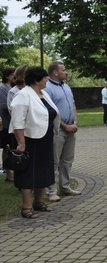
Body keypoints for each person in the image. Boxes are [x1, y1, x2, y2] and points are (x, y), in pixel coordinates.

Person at [9, 66, 60, 219]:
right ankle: (26, 207)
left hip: (44, 138)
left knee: (43, 171)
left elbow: (49, 115)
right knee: (28, 173)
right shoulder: (23, 95)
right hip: (29, 139)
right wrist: (21, 143)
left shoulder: (43, 94)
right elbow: (17, 121)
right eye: (45, 78)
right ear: (37, 80)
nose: (47, 80)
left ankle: (39, 202)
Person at [44, 61, 80, 202]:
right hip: (58, 130)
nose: (66, 72)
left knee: (67, 160)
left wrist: (75, 122)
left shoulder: (66, 87)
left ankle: (65, 187)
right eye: (63, 70)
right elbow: (49, 112)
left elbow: (73, 105)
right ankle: (51, 191)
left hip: (71, 128)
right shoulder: (47, 88)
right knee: (54, 160)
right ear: (55, 72)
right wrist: (65, 126)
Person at [0, 66, 15, 180]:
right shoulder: (2, 88)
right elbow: (4, 106)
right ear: (7, 76)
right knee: (7, 147)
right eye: (13, 74)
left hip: (13, 122)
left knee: (11, 147)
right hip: (5, 123)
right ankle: (8, 173)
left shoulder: (14, 87)